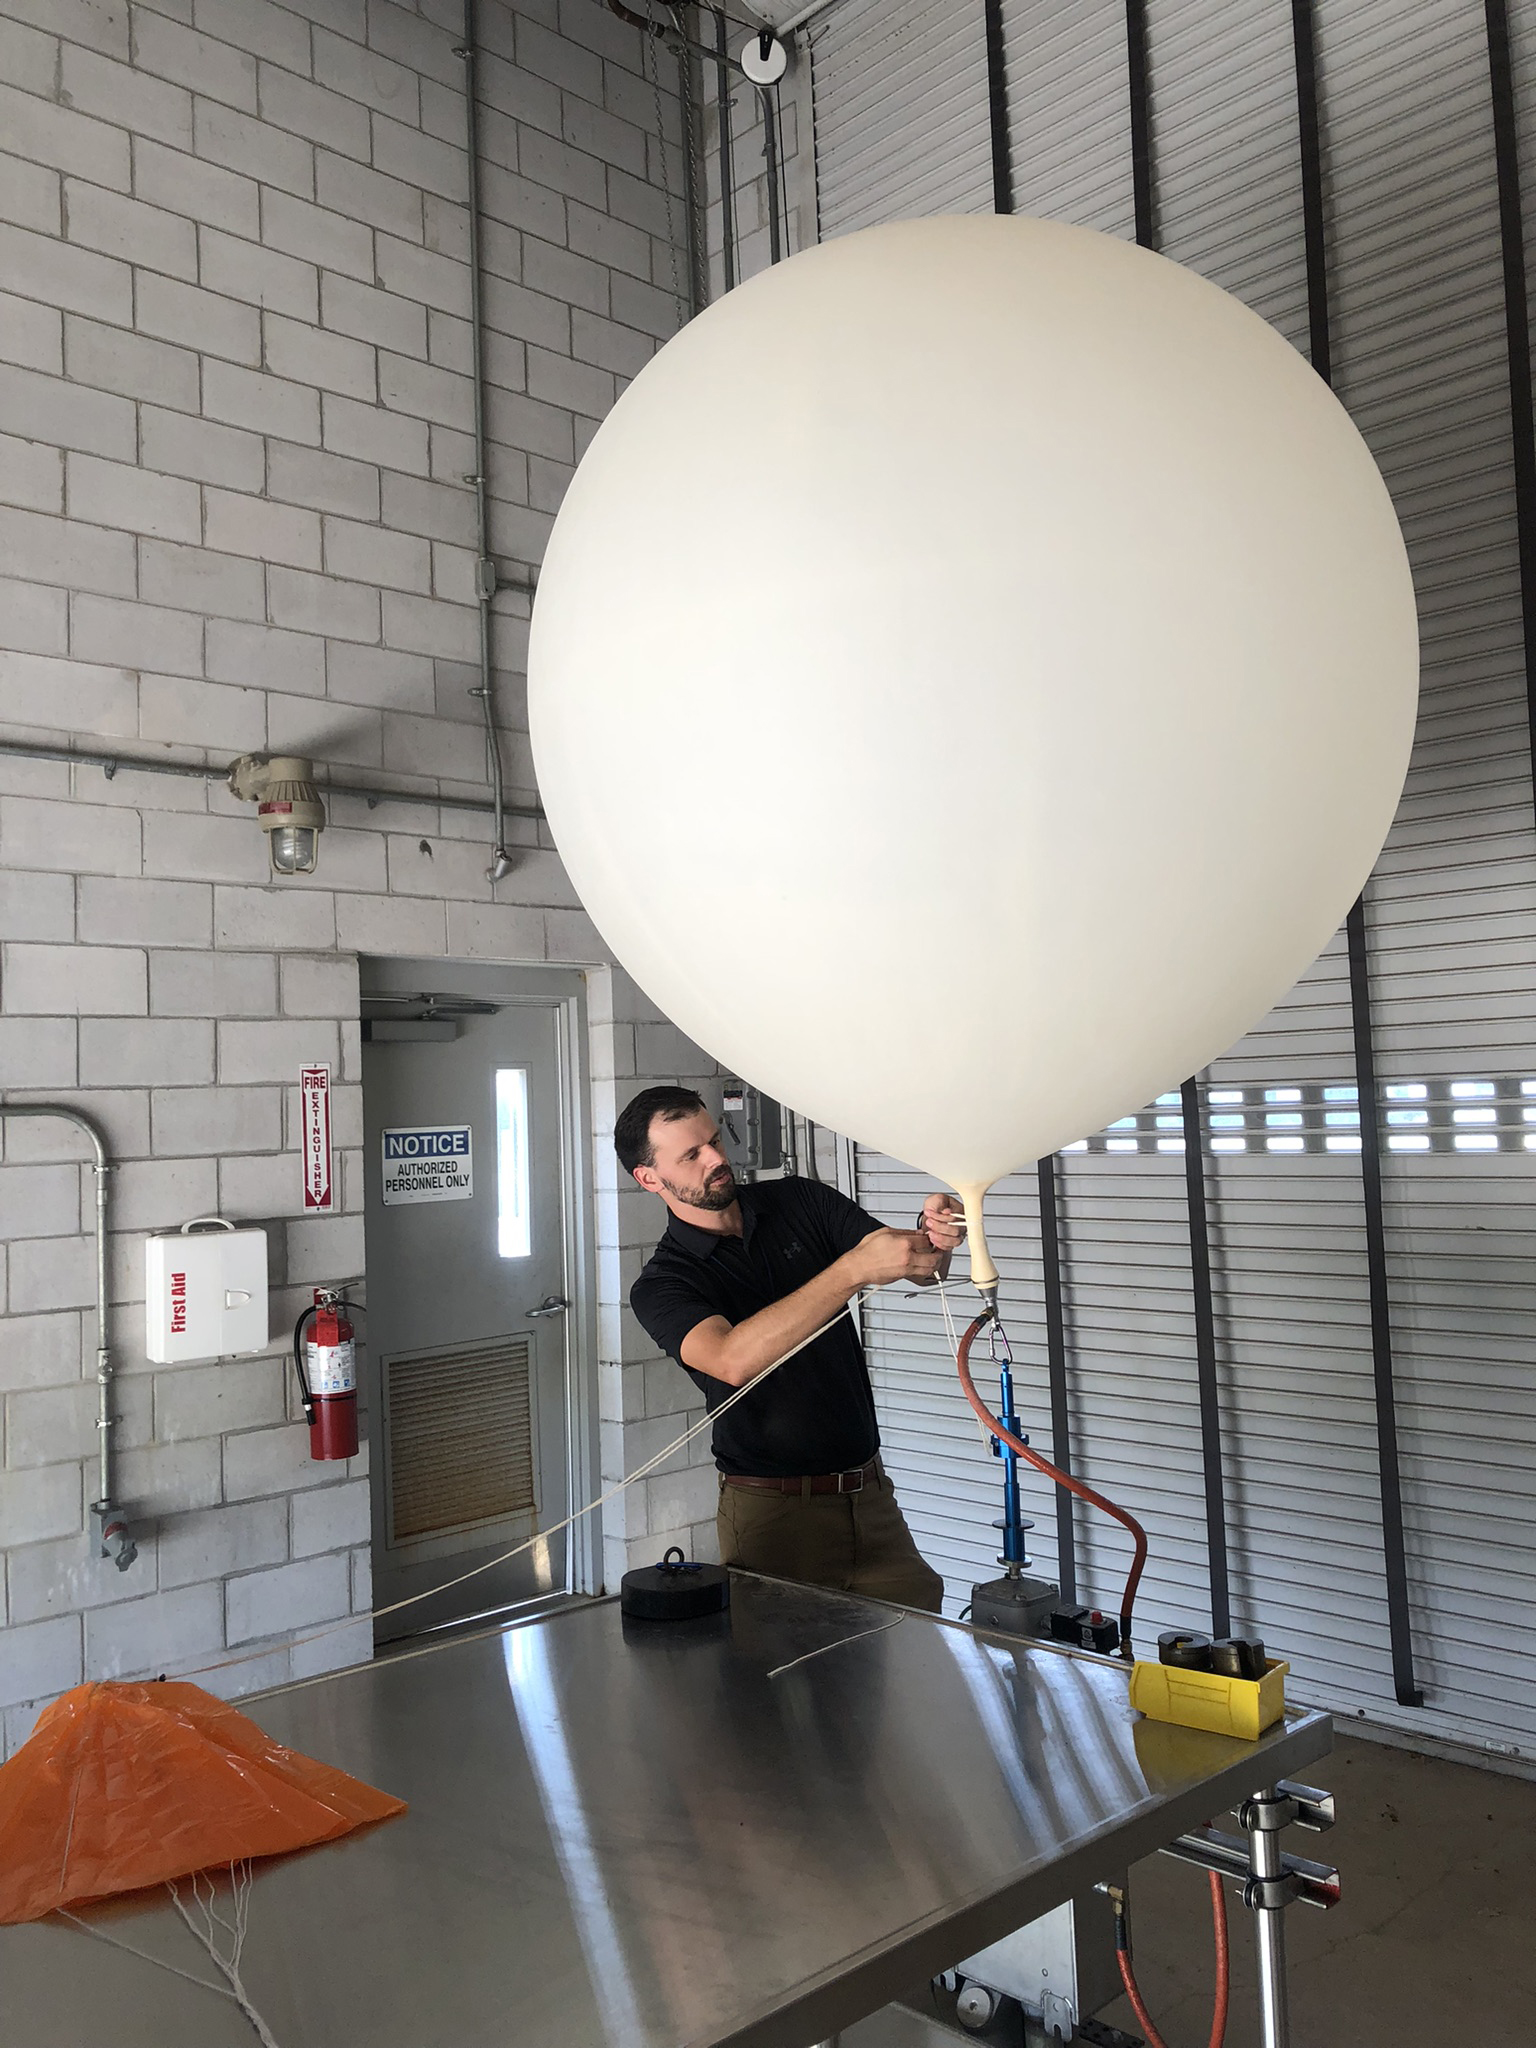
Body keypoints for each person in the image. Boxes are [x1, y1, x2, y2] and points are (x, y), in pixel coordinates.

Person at [619, 1084, 964, 1612]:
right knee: (783, 1682)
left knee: (914, 1651)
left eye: (714, 1140)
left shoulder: (800, 1199)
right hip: (772, 1516)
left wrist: (934, 1234)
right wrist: (849, 1272)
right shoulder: (663, 1284)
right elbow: (731, 1358)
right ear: (649, 1178)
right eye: (691, 1155)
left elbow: (914, 1265)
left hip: (870, 1498)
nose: (716, 1158)